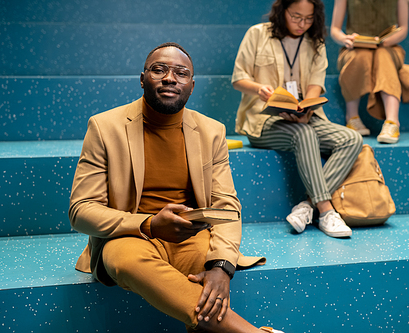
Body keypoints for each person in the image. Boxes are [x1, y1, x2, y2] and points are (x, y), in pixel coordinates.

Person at [69, 42, 283, 333]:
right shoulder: (104, 127)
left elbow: (227, 207)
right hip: (130, 236)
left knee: (209, 279)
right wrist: (151, 225)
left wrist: (221, 266)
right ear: (143, 79)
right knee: (126, 261)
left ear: (192, 86)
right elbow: (81, 210)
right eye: (159, 70)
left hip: (189, 237)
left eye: (181, 73)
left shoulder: (211, 131)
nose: (170, 78)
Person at [232, 0, 363, 238]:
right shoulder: (257, 33)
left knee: (351, 138)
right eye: (296, 17)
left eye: (309, 18)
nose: (302, 24)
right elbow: (238, 79)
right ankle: (325, 211)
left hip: (305, 118)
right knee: (304, 134)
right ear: (282, 11)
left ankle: (306, 206)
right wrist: (259, 88)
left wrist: (306, 110)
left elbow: (315, 86)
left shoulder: (316, 43)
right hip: (263, 120)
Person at [330, 0, 409, 143]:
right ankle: (352, 117)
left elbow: (403, 28)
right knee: (361, 56)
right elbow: (335, 30)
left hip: (388, 47)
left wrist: (387, 41)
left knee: (383, 56)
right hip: (355, 48)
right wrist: (345, 39)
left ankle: (392, 121)